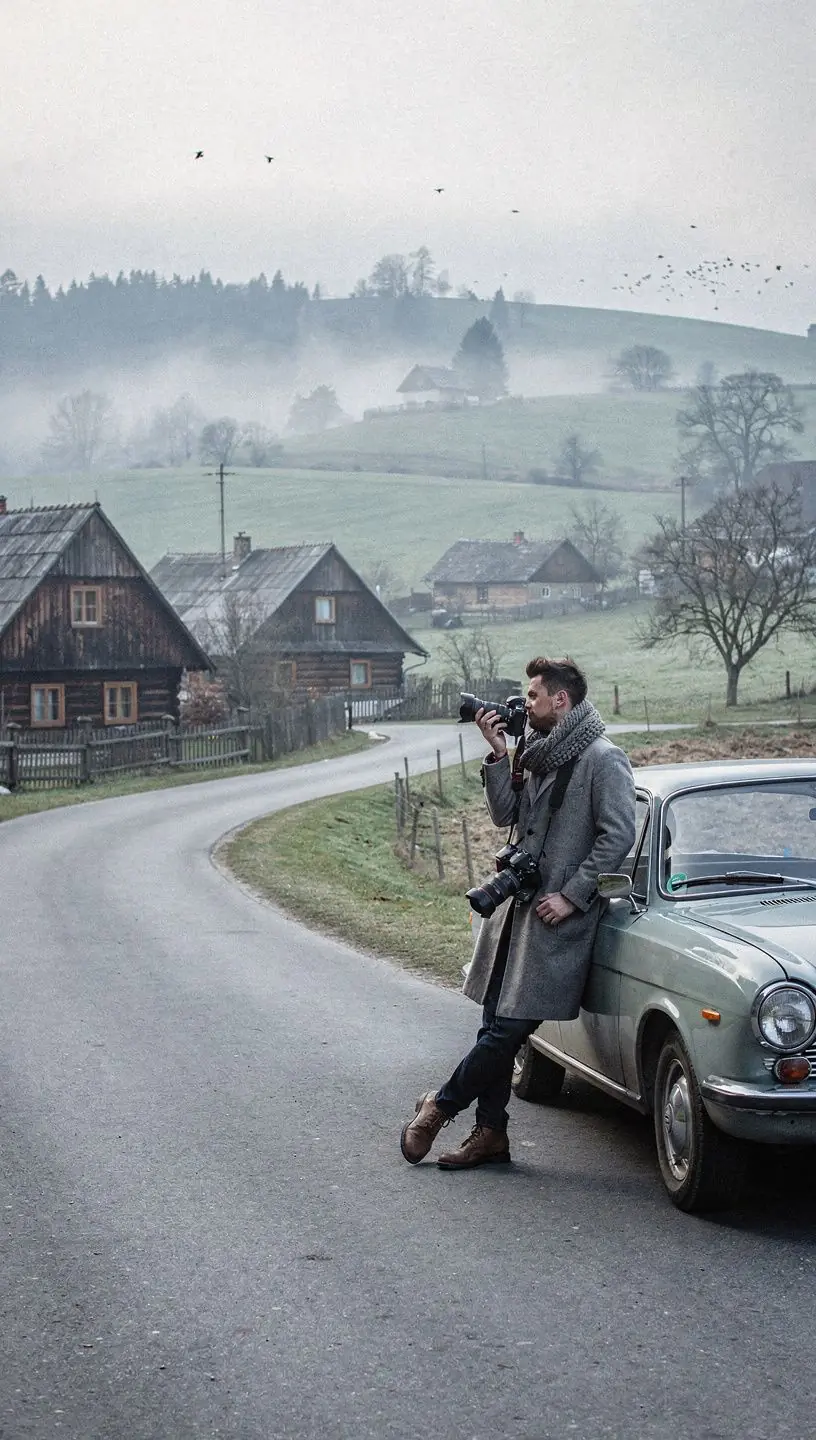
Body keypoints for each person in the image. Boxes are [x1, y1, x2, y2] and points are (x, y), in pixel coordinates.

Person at [400, 656, 636, 1170]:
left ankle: (439, 1106)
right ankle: (491, 1135)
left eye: (532, 696)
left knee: (510, 1028)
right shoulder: (536, 749)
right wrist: (499, 756)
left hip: (558, 917)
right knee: (494, 1022)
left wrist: (573, 895)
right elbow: (506, 816)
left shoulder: (603, 758)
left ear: (561, 700)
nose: (523, 703)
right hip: (515, 908)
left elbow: (618, 835)